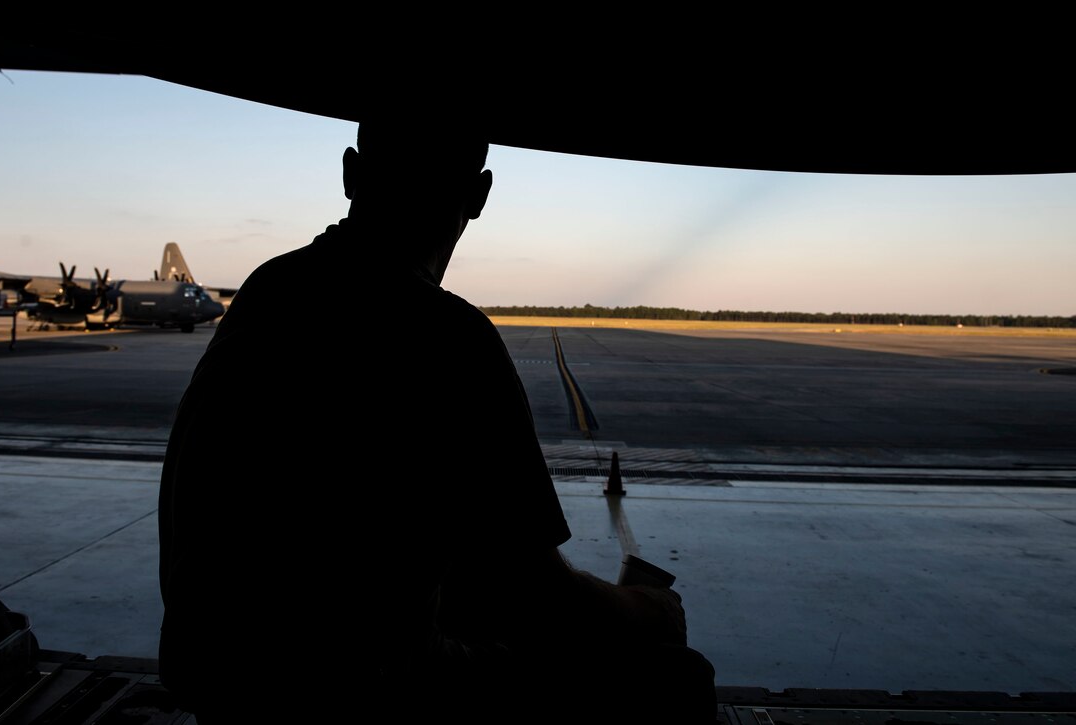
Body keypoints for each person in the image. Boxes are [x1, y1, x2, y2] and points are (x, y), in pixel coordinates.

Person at [157, 113, 717, 721]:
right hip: (349, 690)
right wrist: (643, 609)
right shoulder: (448, 335)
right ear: (478, 196)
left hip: (211, 672)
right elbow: (535, 595)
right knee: (677, 677)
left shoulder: (268, 290)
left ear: (350, 175)